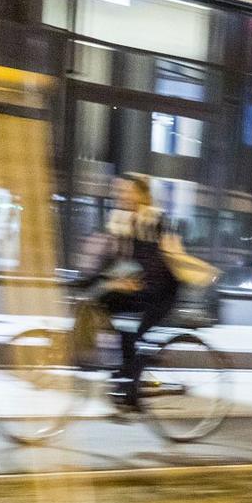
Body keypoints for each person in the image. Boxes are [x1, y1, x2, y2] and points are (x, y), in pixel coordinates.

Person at [76, 174, 181, 407]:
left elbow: (157, 261)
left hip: (162, 292)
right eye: (118, 191)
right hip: (136, 287)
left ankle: (133, 383)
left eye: (126, 191)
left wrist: (135, 281)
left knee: (131, 334)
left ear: (142, 195)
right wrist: (91, 280)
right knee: (98, 301)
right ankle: (122, 370)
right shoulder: (121, 221)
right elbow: (113, 259)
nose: (120, 195)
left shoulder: (156, 221)